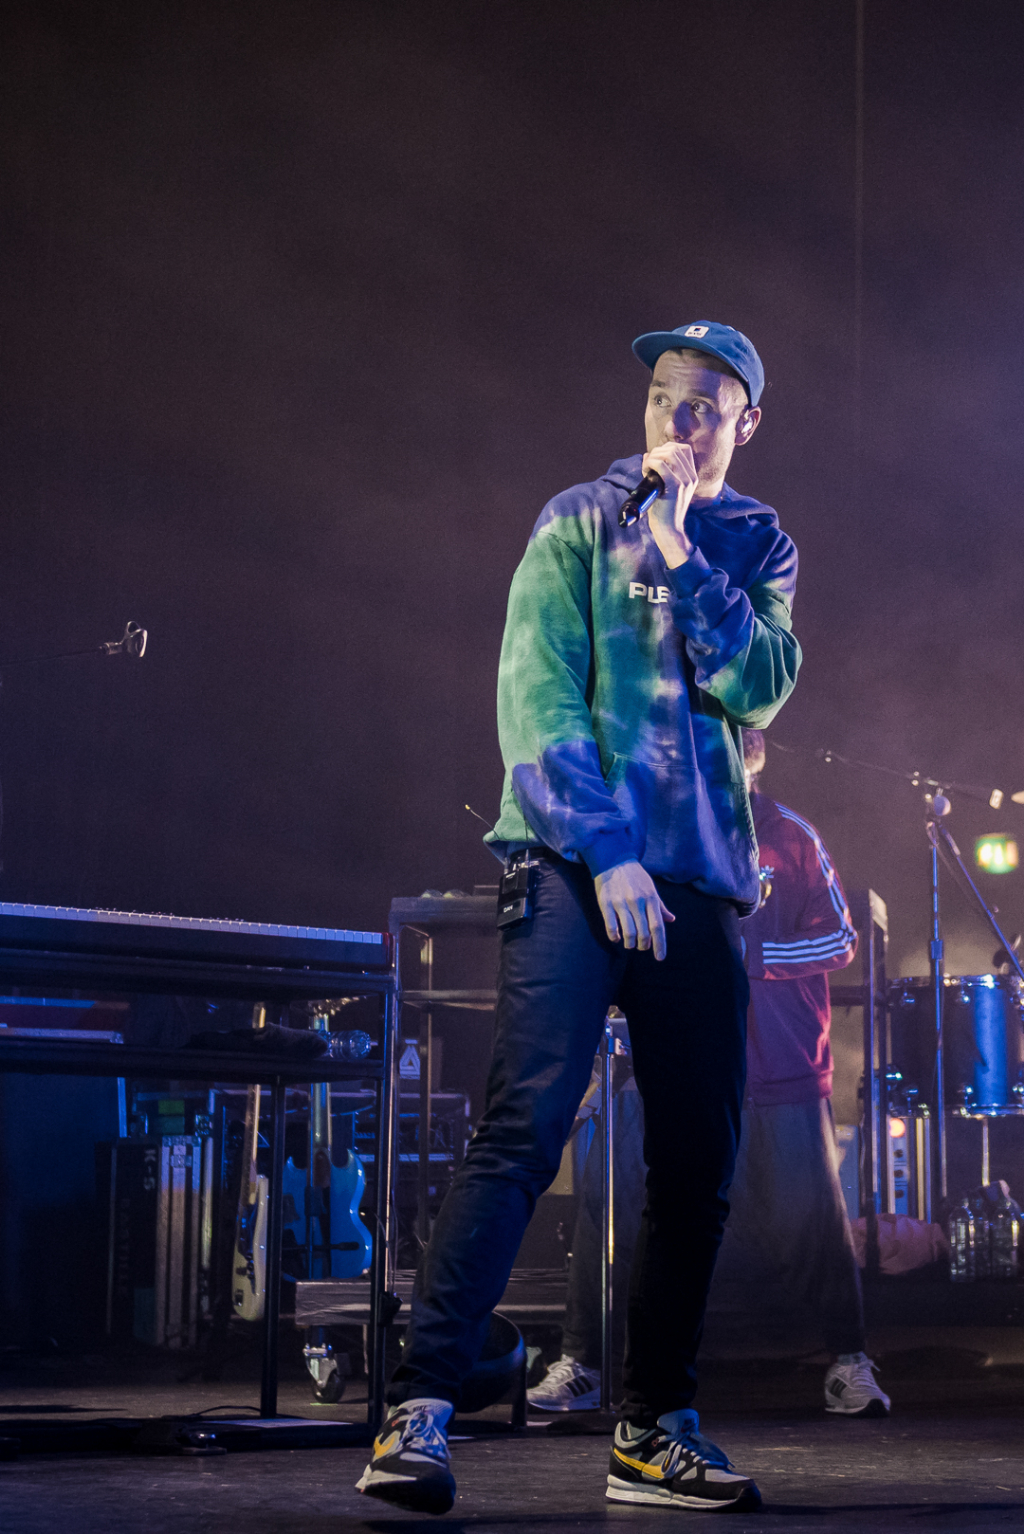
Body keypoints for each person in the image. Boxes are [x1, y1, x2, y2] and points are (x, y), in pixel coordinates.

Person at [358, 321, 801, 1514]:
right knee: (523, 1129)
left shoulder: (757, 542)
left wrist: (681, 546)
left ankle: (652, 1431)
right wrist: (607, 854)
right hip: (572, 864)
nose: (679, 421)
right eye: (664, 398)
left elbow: (761, 685)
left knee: (696, 1161)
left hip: (697, 880)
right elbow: (537, 701)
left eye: (706, 405)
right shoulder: (573, 521)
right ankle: (417, 1410)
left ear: (746, 423)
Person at [528, 729, 891, 1420]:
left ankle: (849, 1361)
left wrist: (745, 952)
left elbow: (841, 938)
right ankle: (583, 1362)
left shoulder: (792, 836)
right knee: (610, 1200)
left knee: (812, 1220)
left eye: (747, 728)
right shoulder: (651, 827)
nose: (738, 737)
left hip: (777, 1070)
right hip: (664, 1060)